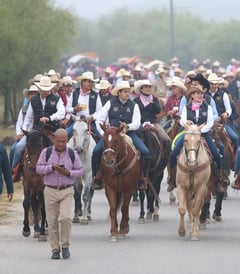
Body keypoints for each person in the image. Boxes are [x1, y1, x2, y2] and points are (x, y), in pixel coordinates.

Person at [92, 81, 151, 190]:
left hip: (128, 133)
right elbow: (99, 119)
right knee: (96, 151)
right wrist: (103, 134)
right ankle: (97, 177)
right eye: (125, 91)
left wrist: (128, 126)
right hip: (111, 133)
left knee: (145, 152)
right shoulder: (110, 103)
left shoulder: (134, 105)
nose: (128, 94)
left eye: (129, 91)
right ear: (119, 92)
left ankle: (142, 178)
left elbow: (137, 122)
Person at [168, 84, 227, 193]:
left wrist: (200, 130)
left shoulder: (207, 107)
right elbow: (182, 120)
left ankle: (218, 180)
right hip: (189, 134)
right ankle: (172, 178)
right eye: (197, 93)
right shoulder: (187, 108)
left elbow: (210, 123)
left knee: (217, 155)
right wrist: (186, 123)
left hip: (203, 134)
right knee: (173, 153)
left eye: (201, 93)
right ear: (192, 96)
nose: (200, 95)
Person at [36, 129, 83, 260]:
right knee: (52, 222)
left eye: (63, 141)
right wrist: (51, 168)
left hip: (67, 190)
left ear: (67, 140)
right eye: (58, 141)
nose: (61, 144)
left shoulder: (72, 154)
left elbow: (80, 170)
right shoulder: (46, 152)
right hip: (50, 189)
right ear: (54, 140)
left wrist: (68, 173)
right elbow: (38, 168)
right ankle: (55, 249)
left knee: (66, 218)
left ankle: (65, 245)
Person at [10, 85, 39, 182]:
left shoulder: (39, 107)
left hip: (36, 133)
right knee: (16, 148)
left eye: (35, 94)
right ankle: (14, 170)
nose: (33, 96)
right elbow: (19, 123)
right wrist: (19, 133)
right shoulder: (24, 109)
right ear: (28, 96)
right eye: (31, 94)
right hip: (25, 133)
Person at [206, 73, 239, 150]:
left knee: (235, 138)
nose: (213, 86)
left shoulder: (223, 94)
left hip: (221, 123)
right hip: (207, 123)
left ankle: (236, 159)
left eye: (215, 84)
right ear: (208, 84)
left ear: (218, 84)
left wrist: (226, 113)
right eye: (211, 84)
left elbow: (229, 109)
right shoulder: (204, 95)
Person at [65, 71, 103, 139]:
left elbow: (100, 111)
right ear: (82, 82)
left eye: (92, 82)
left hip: (90, 122)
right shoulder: (74, 93)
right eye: (89, 82)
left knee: (102, 138)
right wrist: (74, 109)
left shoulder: (96, 95)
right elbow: (67, 108)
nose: (91, 84)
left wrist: (92, 117)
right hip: (76, 122)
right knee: (64, 135)